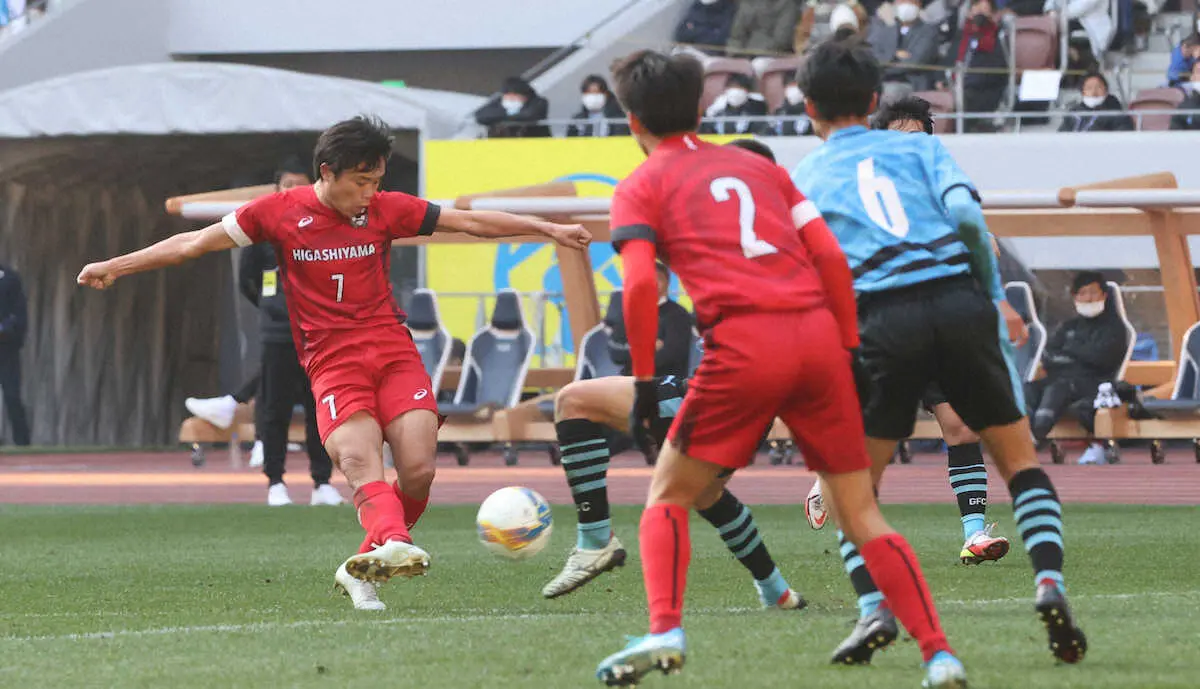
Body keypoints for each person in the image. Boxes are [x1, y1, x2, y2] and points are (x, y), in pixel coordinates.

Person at [77, 116, 591, 612]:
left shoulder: (387, 209)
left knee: (418, 469)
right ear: (328, 173)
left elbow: (471, 220)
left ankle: (363, 564)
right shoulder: (275, 212)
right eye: (362, 182)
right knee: (358, 460)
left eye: (377, 182)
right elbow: (192, 242)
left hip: (393, 353)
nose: (371, 193)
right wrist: (114, 266)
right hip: (332, 361)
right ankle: (392, 540)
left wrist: (547, 227)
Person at [594, 49, 964, 689]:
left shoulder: (641, 183)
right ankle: (939, 655)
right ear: (702, 107)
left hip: (743, 344)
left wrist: (649, 383)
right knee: (861, 512)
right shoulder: (753, 164)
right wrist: (848, 350)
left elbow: (635, 290)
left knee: (669, 493)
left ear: (631, 121)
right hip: (818, 340)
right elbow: (825, 252)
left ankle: (664, 632)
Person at [792, 39, 1086, 669]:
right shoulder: (923, 147)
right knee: (1019, 460)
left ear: (809, 105)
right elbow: (968, 220)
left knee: (857, 492)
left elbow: (808, 269)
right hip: (957, 303)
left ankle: (874, 606)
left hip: (879, 320)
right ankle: (1049, 584)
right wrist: (993, 298)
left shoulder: (806, 175)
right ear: (874, 100)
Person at [543, 140, 803, 612]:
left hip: (722, 391)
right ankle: (776, 590)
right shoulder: (785, 236)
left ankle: (596, 541)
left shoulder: (737, 235)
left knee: (573, 400)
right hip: (746, 399)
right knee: (706, 492)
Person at [811, 95, 1019, 567]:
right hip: (884, 322)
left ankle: (973, 533)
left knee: (961, 426)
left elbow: (978, 235)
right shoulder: (863, 187)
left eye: (920, 137)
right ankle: (830, 481)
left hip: (941, 321)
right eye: (901, 137)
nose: (912, 146)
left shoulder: (941, 180)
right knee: (871, 432)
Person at [237, 158, 342, 507]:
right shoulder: (263, 229)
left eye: (300, 183)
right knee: (275, 409)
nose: (293, 191)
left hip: (319, 336)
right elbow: (247, 282)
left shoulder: (326, 227)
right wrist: (275, 310)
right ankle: (275, 482)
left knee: (320, 409)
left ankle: (322, 482)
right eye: (286, 185)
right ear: (277, 189)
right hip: (278, 336)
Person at [1026, 271, 1128, 464]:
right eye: (1082, 293)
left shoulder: (1114, 328)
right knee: (1028, 388)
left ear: (1104, 295)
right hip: (1061, 380)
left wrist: (1069, 354)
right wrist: (1078, 355)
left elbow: (1101, 359)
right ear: (1074, 296)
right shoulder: (1068, 326)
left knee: (1058, 388)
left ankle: (1036, 437)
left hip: (1095, 385)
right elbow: (1048, 357)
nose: (1088, 298)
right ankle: (1020, 435)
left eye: (1093, 292)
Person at [867, 0, 941, 100]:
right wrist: (894, 54)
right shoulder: (885, 26)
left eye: (910, 1)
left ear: (919, 5)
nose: (905, 4)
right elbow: (873, 54)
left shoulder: (929, 31)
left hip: (911, 83)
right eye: (901, 1)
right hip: (882, 80)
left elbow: (914, 62)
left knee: (890, 91)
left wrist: (885, 67)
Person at [0, 260, 30, 446]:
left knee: (12, 396)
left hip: (6, 350)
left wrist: (4, 329)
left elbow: (19, 315)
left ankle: (23, 444)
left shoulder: (9, 278)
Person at [473, 77, 551, 138]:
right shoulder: (498, 101)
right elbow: (480, 116)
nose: (511, 101)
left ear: (525, 96)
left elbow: (530, 115)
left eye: (514, 97)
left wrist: (500, 117)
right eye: (508, 97)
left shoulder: (539, 102)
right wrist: (507, 114)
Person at [1058, 72, 1135, 132]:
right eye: (1089, 88)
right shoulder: (1073, 114)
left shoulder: (1118, 115)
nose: (1094, 92)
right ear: (1082, 92)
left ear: (1106, 90)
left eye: (1098, 87)